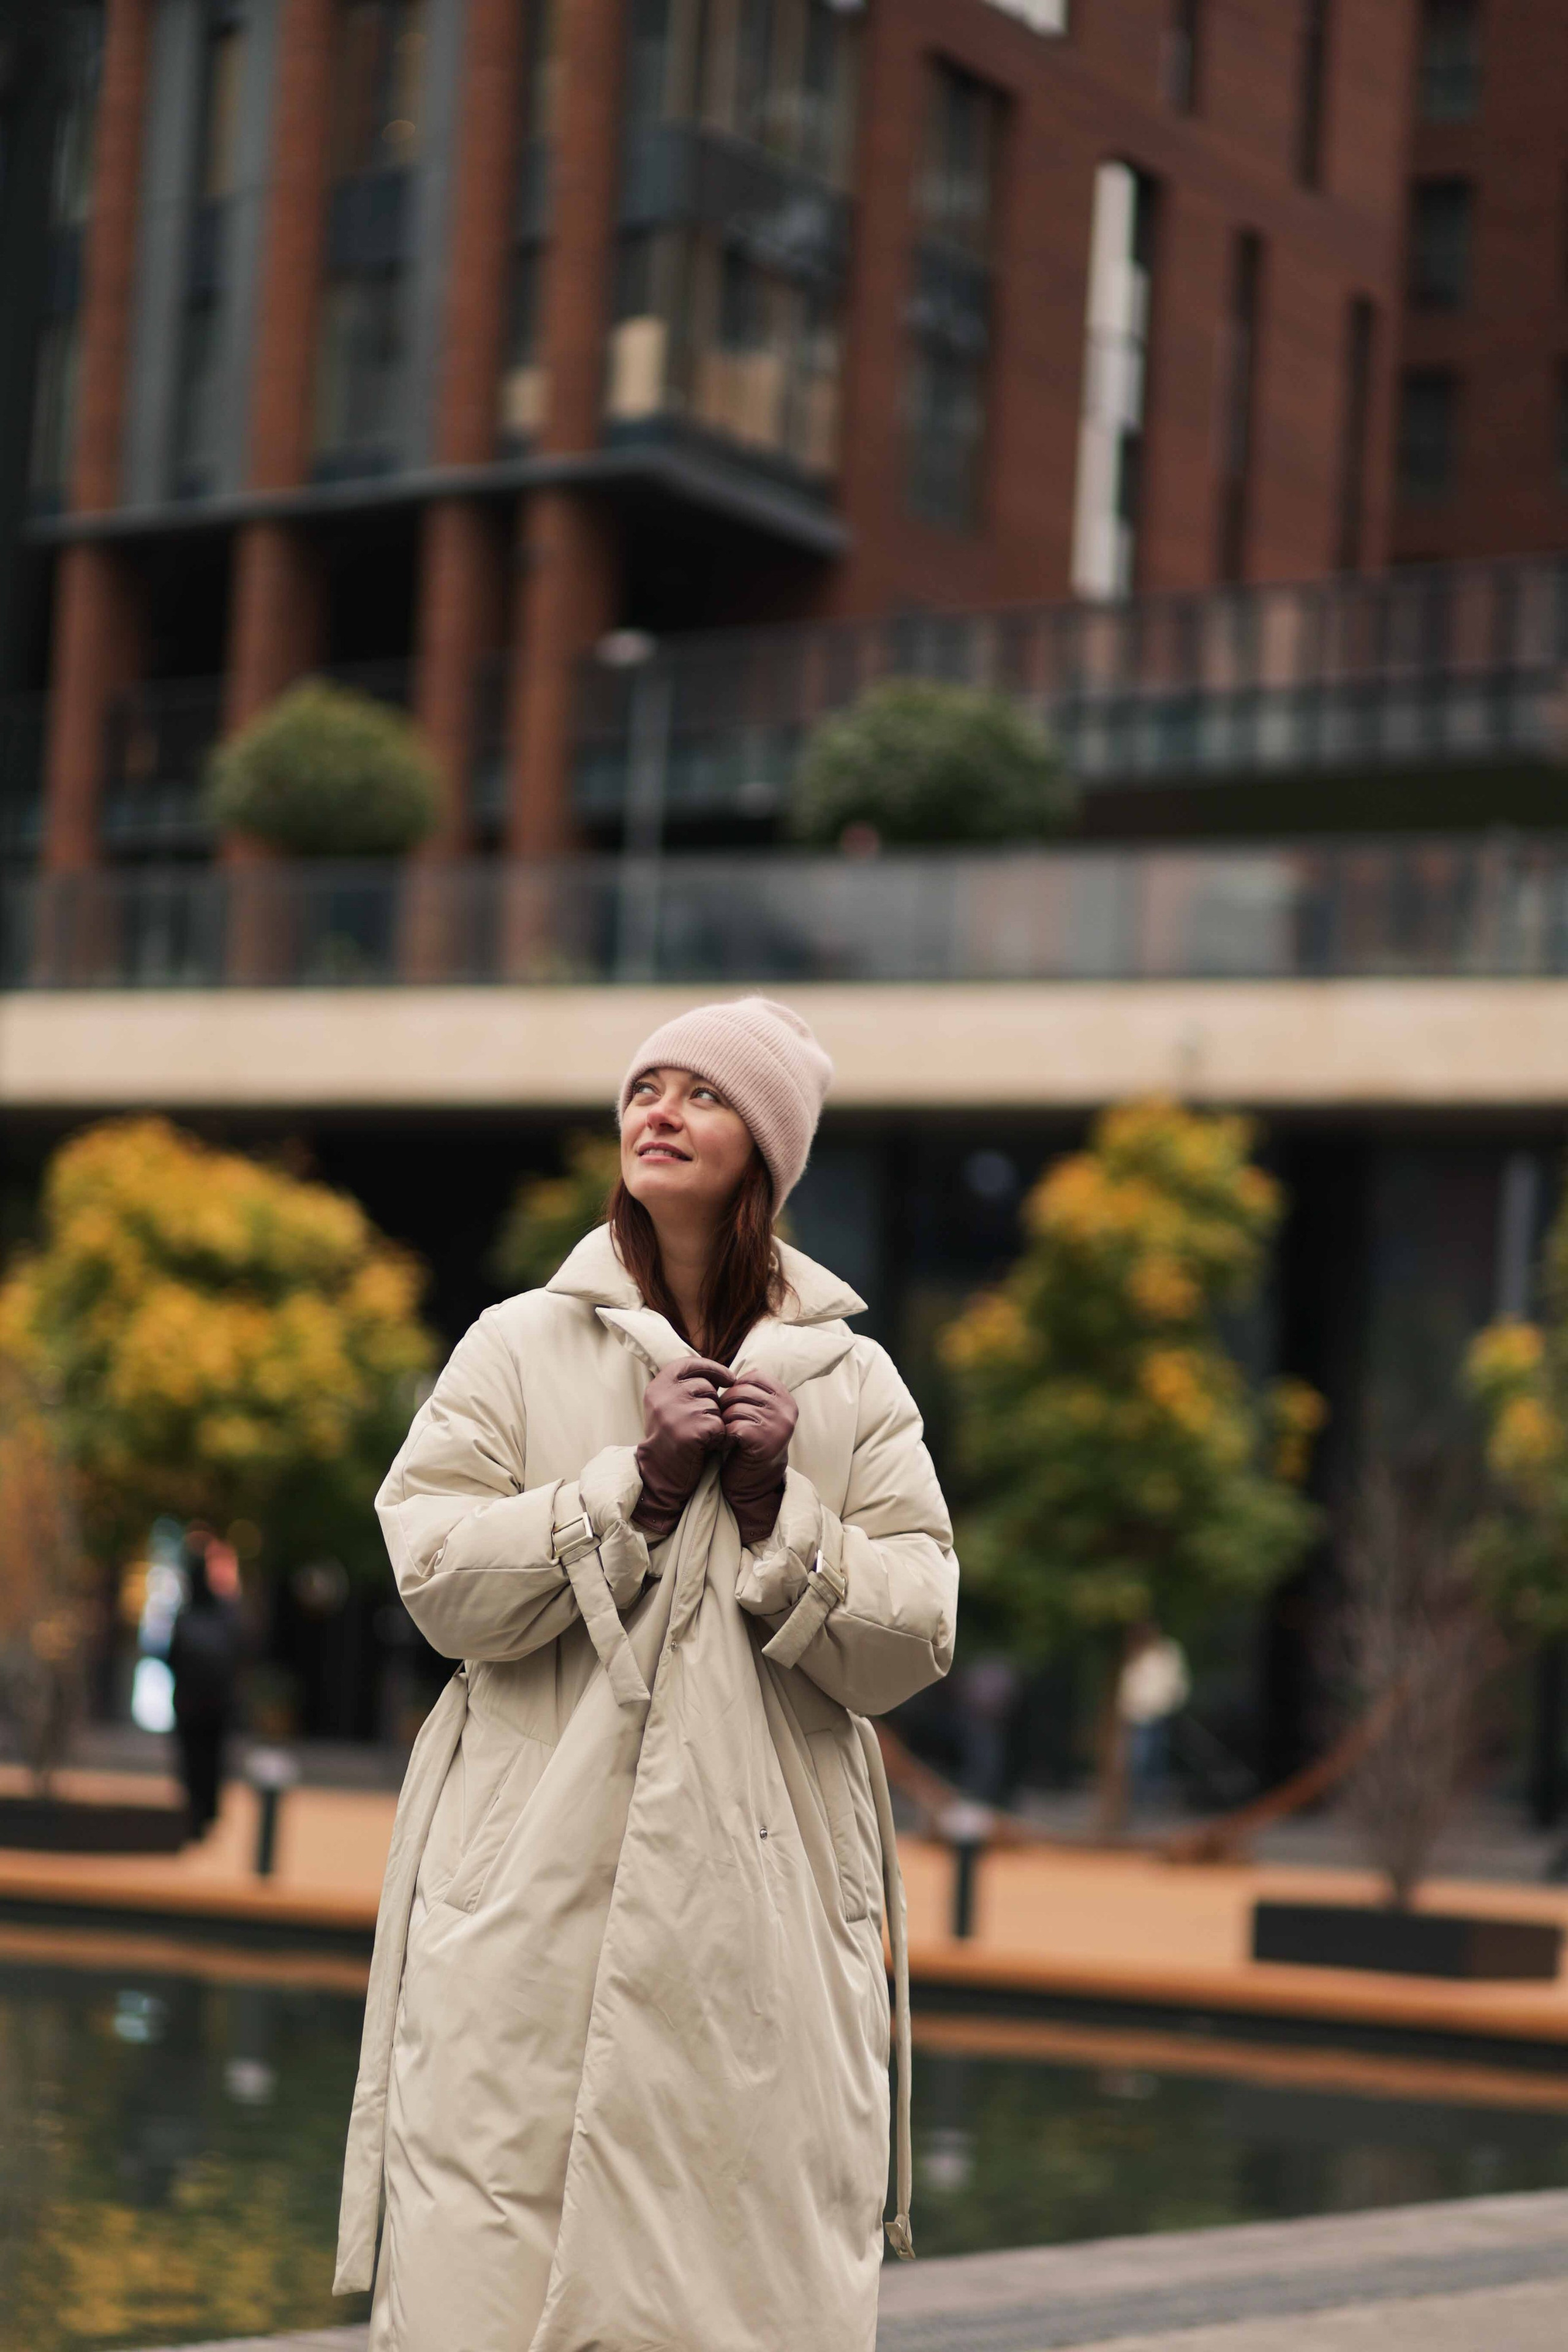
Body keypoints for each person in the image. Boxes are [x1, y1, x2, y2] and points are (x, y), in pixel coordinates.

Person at [336, 997, 959, 2352]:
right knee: (494, 2246)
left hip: (766, 1916)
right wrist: (630, 1489)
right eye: (644, 1089)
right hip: (527, 1898)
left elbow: (915, 1634)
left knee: (742, 2259)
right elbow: (434, 1578)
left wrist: (780, 1513)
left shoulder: (851, 1386)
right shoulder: (516, 1344)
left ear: (768, 1152)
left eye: (703, 1095)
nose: (658, 1113)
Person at [167, 1532, 241, 1838]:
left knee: (193, 1762)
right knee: (210, 1763)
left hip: (193, 1706)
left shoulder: (187, 1616)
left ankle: (197, 1815)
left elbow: (171, 1656)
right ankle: (205, 1814)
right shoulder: (224, 1614)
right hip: (214, 1706)